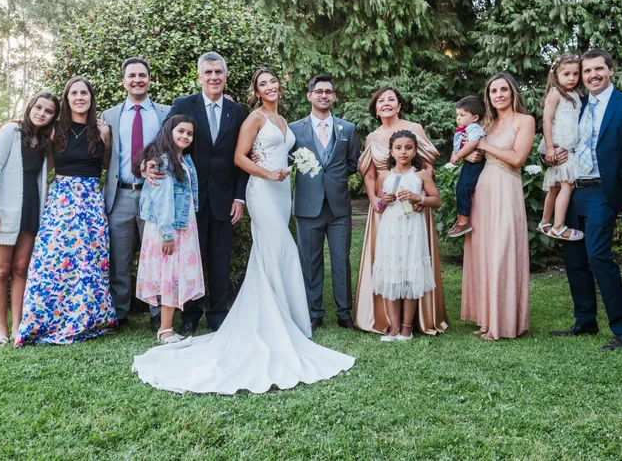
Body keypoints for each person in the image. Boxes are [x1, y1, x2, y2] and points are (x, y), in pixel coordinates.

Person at [132, 68, 354, 394]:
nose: (270, 87)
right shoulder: (251, 116)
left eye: (273, 82)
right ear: (256, 90)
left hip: (278, 192)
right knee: (278, 248)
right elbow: (236, 155)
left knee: (275, 251)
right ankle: (270, 319)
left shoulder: (282, 121)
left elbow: (281, 150)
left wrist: (299, 163)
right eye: (263, 83)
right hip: (261, 189)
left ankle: (288, 317)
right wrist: (146, 162)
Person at [545, 49, 622, 350]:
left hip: (605, 193)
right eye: (586, 70)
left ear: (610, 71)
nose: (592, 75)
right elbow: (558, 136)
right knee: (574, 259)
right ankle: (585, 320)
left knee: (597, 256)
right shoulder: (575, 104)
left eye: (598, 69)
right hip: (573, 189)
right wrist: (548, 154)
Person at [15, 76, 116, 346]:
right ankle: (48, 320)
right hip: (60, 201)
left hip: (91, 201)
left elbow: (106, 166)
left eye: (85, 93)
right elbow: (34, 144)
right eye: (74, 93)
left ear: (91, 98)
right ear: (67, 97)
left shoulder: (103, 130)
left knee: (88, 263)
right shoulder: (53, 130)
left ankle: (86, 318)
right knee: (53, 262)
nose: (80, 97)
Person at [153, 52, 249, 334]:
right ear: (200, 76)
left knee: (220, 260)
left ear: (226, 76)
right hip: (188, 200)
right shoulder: (184, 105)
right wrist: (151, 164)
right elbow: (164, 141)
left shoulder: (238, 112)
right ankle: (190, 315)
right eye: (208, 72)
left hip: (224, 199)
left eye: (218, 72)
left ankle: (218, 314)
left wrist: (239, 197)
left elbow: (242, 157)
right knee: (190, 260)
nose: (214, 77)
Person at [355, 87, 448, 335]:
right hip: (385, 211)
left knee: (412, 262)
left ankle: (414, 322)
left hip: (414, 206)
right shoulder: (371, 138)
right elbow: (370, 174)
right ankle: (388, 322)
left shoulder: (414, 129)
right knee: (388, 263)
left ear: (399, 105)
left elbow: (428, 163)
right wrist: (375, 199)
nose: (386, 103)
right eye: (381, 100)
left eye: (391, 99)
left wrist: (420, 192)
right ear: (375, 108)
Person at [0, 91, 59, 346]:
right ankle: (0, 330)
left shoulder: (45, 140)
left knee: (21, 268)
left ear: (53, 117)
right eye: (39, 108)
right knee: (1, 270)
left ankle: (18, 328)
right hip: (4, 208)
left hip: (32, 206)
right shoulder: (10, 132)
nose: (42, 114)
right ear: (30, 107)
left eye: (48, 111)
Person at [461, 73, 534, 341]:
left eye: (504, 89)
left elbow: (517, 158)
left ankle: (504, 322)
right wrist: (470, 151)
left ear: (513, 92)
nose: (499, 95)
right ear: (488, 97)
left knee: (503, 251)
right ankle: (486, 319)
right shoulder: (487, 124)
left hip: (506, 189)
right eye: (493, 91)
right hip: (483, 191)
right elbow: (475, 154)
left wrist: (483, 145)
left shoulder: (524, 121)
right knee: (484, 252)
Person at [101, 57, 171, 332]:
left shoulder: (165, 113)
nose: (137, 80)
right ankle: (119, 313)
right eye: (132, 76)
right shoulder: (110, 116)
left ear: (150, 79)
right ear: (124, 81)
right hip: (121, 196)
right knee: (119, 259)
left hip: (154, 194)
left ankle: (157, 313)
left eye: (142, 75)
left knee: (155, 256)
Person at [288, 74, 361, 330]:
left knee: (341, 260)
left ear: (334, 96)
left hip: (339, 207)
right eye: (318, 91)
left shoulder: (347, 129)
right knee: (310, 262)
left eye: (328, 91)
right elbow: (286, 161)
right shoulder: (294, 129)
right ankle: (314, 311)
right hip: (308, 206)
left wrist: (333, 179)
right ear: (309, 95)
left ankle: (344, 313)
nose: (323, 95)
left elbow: (353, 163)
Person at [134, 115, 204, 344]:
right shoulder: (163, 161)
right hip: (170, 227)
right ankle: (165, 329)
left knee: (175, 274)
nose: (185, 136)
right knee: (169, 275)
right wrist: (167, 234)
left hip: (182, 226)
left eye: (189, 133)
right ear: (169, 131)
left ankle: (168, 326)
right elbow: (163, 199)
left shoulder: (184, 159)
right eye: (181, 131)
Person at [372, 130, 442, 342]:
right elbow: (378, 207)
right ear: (391, 151)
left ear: (414, 151)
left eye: (408, 148)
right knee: (391, 275)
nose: (403, 152)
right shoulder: (384, 176)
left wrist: (416, 197)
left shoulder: (420, 175)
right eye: (399, 148)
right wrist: (384, 200)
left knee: (410, 276)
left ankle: (406, 328)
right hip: (391, 231)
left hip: (412, 231)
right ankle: (393, 328)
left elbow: (436, 200)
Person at [538, 54, 584, 241]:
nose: (572, 78)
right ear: (556, 75)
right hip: (557, 145)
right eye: (566, 74)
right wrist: (550, 147)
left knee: (555, 188)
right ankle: (558, 226)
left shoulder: (576, 94)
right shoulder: (555, 93)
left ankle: (544, 222)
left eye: (575, 74)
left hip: (568, 147)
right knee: (567, 185)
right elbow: (547, 119)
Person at [447, 96, 487, 237]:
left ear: (475, 117)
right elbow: (458, 144)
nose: (458, 118)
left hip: (474, 164)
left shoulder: (474, 128)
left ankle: (463, 222)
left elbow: (473, 143)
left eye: (462, 115)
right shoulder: (464, 128)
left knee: (464, 188)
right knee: (461, 189)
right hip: (468, 163)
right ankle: (461, 220)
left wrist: (458, 156)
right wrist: (454, 153)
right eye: (457, 114)